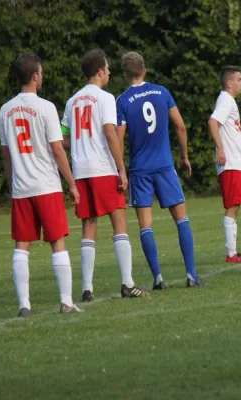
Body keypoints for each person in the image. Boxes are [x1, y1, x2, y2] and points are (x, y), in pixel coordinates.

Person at [61, 49, 148, 301]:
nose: (109, 72)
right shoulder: (106, 98)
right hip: (102, 168)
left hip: (81, 171)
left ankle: (87, 289)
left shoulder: (72, 101)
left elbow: (63, 138)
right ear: (100, 72)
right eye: (108, 69)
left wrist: (79, 140)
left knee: (88, 225)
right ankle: (127, 283)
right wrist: (122, 169)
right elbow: (110, 133)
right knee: (119, 221)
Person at [0, 54, 82, 316]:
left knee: (22, 245)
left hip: (22, 188)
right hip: (46, 185)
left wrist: (12, 184)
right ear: (35, 76)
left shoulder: (5, 110)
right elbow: (57, 150)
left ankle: (24, 305)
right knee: (57, 242)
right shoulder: (46, 107)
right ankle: (66, 302)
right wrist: (72, 183)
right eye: (41, 72)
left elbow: (6, 154)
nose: (42, 76)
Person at [115, 51, 205, 290]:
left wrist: (121, 169)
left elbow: (118, 138)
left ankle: (158, 278)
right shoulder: (162, 92)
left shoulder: (122, 101)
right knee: (181, 219)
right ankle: (191, 274)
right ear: (144, 70)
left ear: (125, 75)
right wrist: (184, 156)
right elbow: (180, 126)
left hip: (140, 170)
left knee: (146, 225)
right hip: (165, 165)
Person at [208, 66, 241, 263]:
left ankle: (233, 252)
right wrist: (220, 148)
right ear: (229, 83)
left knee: (235, 206)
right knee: (233, 206)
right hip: (231, 162)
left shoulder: (228, 101)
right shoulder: (226, 100)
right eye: (239, 79)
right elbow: (212, 122)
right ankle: (231, 254)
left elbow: (229, 126)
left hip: (235, 162)